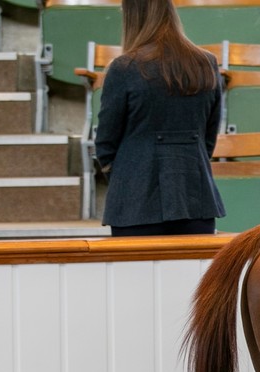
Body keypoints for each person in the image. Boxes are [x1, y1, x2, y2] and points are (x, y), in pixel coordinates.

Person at [95, 0, 225, 236]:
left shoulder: (124, 68)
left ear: (132, 17)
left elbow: (105, 143)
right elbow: (209, 136)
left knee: (135, 273)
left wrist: (129, 175)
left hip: (135, 202)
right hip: (195, 196)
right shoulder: (207, 63)